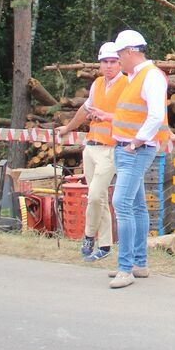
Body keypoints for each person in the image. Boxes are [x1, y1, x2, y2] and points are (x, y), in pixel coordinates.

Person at [107, 29, 171, 289]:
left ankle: (126, 268)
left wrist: (136, 142)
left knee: (121, 203)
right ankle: (138, 263)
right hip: (128, 149)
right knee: (135, 206)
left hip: (135, 150)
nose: (117, 59)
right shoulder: (135, 77)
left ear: (131, 51)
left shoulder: (151, 76)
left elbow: (155, 115)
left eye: (120, 54)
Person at [54, 41, 125, 262]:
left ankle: (88, 235)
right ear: (100, 63)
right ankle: (104, 245)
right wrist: (67, 128)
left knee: (95, 195)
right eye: (105, 62)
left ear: (120, 63)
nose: (109, 66)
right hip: (91, 146)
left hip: (110, 148)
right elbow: (86, 109)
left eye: (113, 61)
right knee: (99, 198)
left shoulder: (126, 85)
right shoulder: (97, 85)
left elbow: (129, 118)